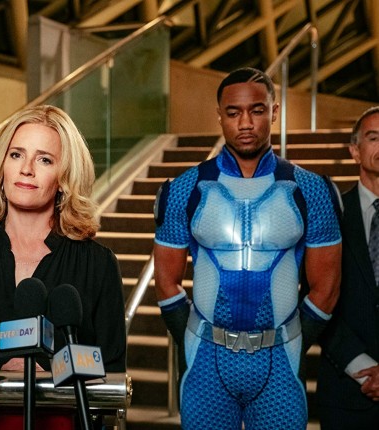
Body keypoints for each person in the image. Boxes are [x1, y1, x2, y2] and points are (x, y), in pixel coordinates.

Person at [153, 67, 342, 429]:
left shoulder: (311, 190)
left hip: (280, 359)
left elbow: (327, 288)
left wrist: (290, 340)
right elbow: (166, 282)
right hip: (206, 358)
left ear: (274, 111)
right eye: (233, 112)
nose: (245, 123)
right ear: (219, 115)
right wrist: (195, 341)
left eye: (257, 111)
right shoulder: (184, 189)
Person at [0, 105, 126, 427]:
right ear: (2, 165)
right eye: (16, 155)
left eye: (44, 159)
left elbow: (112, 373)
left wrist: (47, 372)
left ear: (65, 178)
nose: (27, 169)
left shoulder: (98, 264)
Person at [316, 106, 379, 429]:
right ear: (355, 151)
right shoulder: (330, 217)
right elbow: (316, 299)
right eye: (374, 138)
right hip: (346, 393)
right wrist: (362, 367)